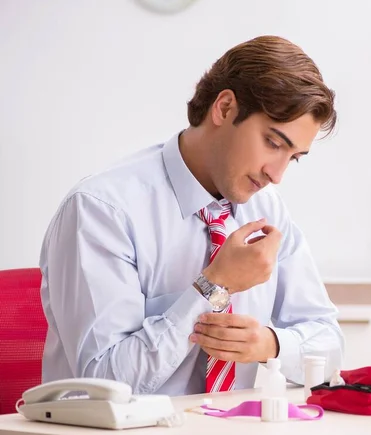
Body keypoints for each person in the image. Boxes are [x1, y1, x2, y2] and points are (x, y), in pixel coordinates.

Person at [39, 35, 344, 396]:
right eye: (273, 143)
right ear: (225, 108)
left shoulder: (267, 209)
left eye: (292, 157)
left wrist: (269, 344)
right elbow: (104, 382)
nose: (276, 174)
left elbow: (329, 342)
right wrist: (214, 286)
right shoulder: (102, 210)